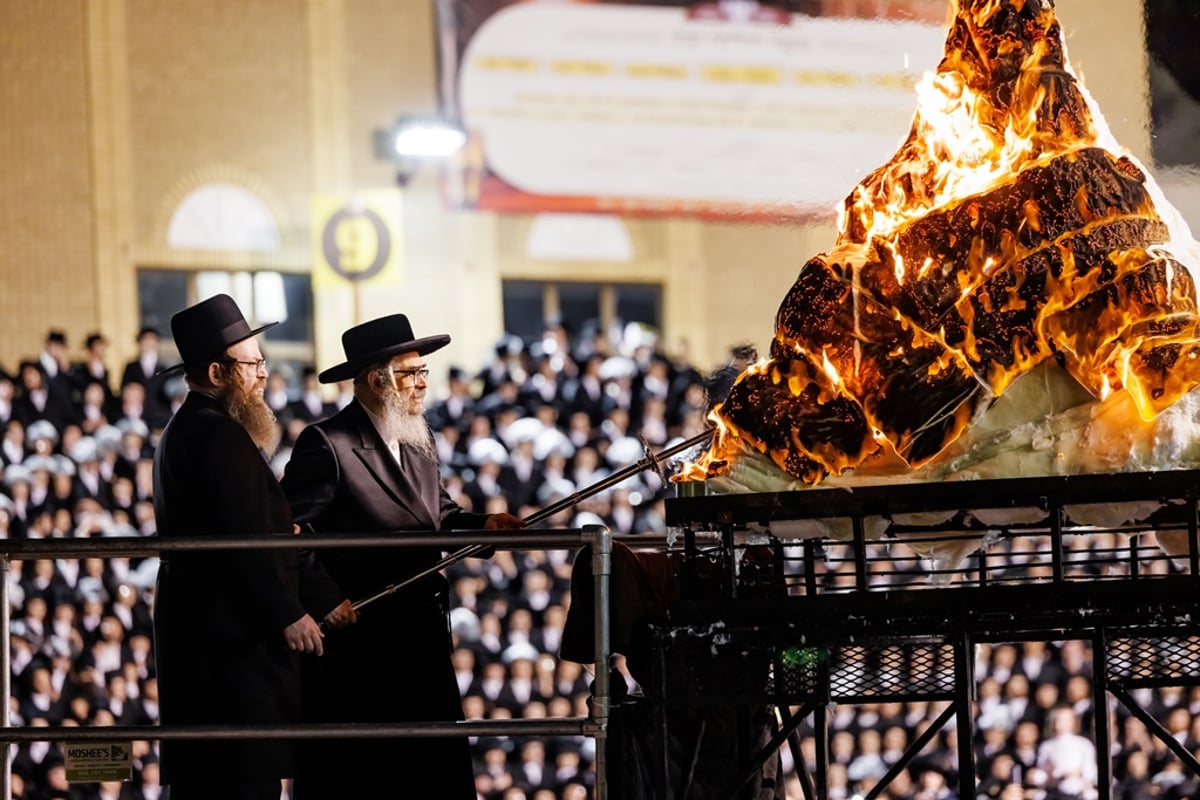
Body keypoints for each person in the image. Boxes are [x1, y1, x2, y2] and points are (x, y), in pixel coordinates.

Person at [280, 312, 524, 799]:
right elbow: (289, 530)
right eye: (410, 374)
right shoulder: (328, 443)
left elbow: (441, 514)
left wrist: (484, 526)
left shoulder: (419, 437)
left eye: (422, 373)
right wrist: (325, 596)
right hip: (361, 649)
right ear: (376, 379)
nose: (420, 384)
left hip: (422, 639)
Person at [152, 293, 324, 800]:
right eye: (251, 364)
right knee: (240, 779)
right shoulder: (217, 435)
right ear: (216, 372)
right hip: (229, 648)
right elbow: (237, 540)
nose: (264, 374)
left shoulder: (188, 429)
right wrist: (288, 612)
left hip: (207, 641)